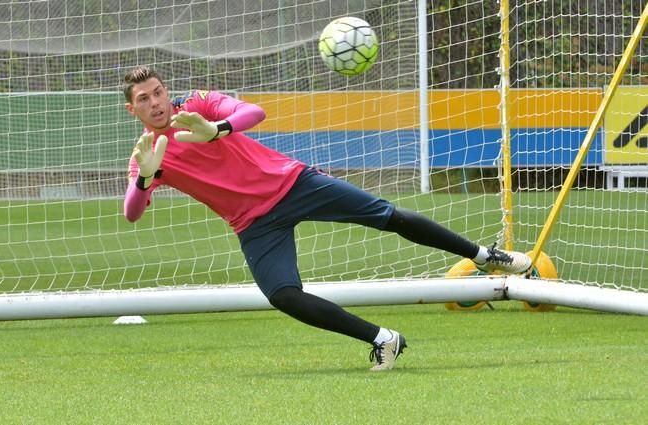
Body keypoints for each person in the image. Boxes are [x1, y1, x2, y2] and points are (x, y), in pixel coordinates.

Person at [122, 66, 532, 372]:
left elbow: (254, 111)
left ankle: (483, 255)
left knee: (387, 216)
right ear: (132, 108)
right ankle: (383, 339)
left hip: (294, 183)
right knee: (282, 295)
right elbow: (131, 213)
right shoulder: (146, 156)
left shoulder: (198, 104)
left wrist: (218, 129)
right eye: (144, 99)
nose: (156, 103)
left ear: (166, 90)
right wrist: (143, 178)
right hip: (255, 224)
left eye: (157, 92)